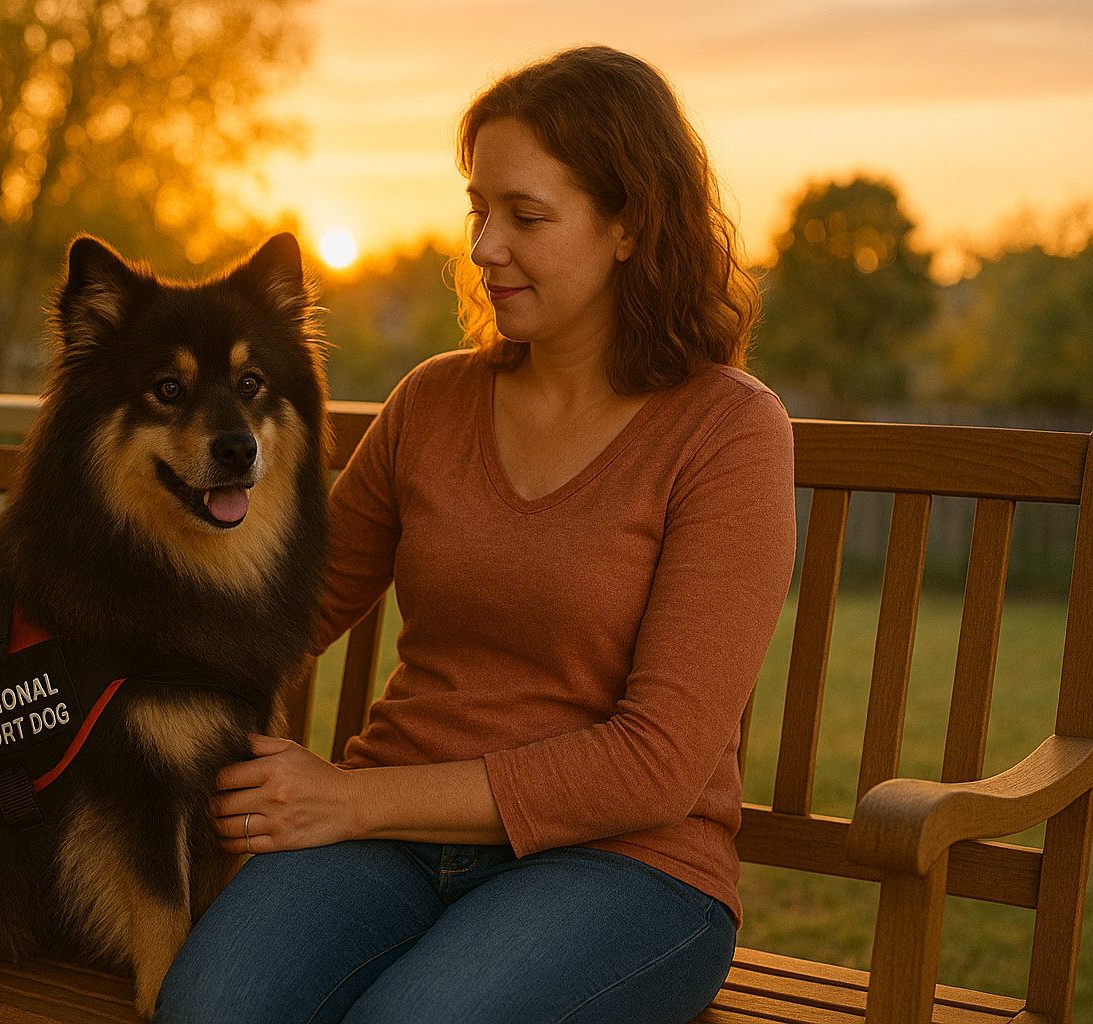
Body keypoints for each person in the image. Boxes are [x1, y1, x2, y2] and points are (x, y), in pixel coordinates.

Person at [155, 44, 796, 1024]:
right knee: (208, 1009)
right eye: (478, 209)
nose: (485, 245)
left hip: (627, 868)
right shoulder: (434, 401)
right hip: (390, 843)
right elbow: (289, 606)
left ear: (628, 225)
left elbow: (657, 762)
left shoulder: (727, 430)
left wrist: (353, 800)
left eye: (525, 216)